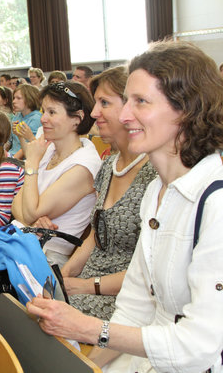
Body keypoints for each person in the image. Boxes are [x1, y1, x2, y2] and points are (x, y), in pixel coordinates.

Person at [27, 41, 223, 373]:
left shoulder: (215, 203)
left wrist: (87, 329)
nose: (124, 114)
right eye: (126, 101)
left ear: (186, 110)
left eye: (140, 102)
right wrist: (85, 367)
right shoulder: (156, 194)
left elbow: (199, 347)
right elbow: (134, 309)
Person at [60, 66, 157, 320]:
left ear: (131, 110)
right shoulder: (108, 166)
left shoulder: (155, 175)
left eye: (104, 103)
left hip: (126, 297)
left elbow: (150, 272)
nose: (94, 113)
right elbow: (95, 235)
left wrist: (85, 286)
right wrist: (66, 273)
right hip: (89, 283)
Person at [12, 81, 101, 266]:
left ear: (77, 118)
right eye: (44, 111)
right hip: (26, 243)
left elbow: (29, 214)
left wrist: (32, 162)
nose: (43, 119)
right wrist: (33, 216)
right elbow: (15, 206)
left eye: (52, 112)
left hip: (48, 257)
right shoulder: (49, 149)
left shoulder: (84, 165)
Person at [9, 84, 42, 158]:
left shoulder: (36, 118)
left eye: (18, 98)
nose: (14, 101)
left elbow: (27, 147)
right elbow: (10, 141)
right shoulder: (18, 115)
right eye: (14, 98)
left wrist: (10, 161)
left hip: (23, 158)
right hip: (12, 154)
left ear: (29, 99)